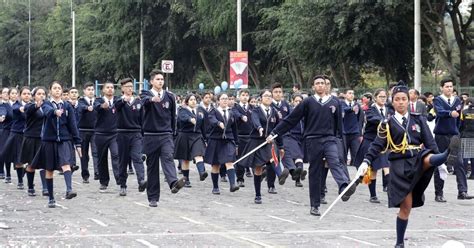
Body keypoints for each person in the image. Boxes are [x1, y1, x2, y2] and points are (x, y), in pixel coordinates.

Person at [356, 83, 459, 248]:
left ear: (408, 100)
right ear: (393, 102)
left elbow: (430, 142)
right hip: (399, 165)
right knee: (406, 207)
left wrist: (441, 165)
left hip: (417, 158)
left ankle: (445, 156)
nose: (401, 102)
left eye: (403, 99)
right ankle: (399, 243)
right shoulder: (386, 123)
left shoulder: (418, 118)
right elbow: (376, 145)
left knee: (427, 156)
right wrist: (366, 161)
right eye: (397, 99)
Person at [267, 75, 354, 216]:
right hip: (312, 140)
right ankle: (315, 205)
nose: (320, 85)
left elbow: (339, 126)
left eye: (322, 83)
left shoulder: (335, 102)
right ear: (313, 86)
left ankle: (344, 186)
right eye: (317, 83)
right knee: (315, 171)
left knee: (335, 161)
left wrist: (340, 141)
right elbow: (291, 120)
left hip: (330, 139)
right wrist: (275, 133)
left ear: (326, 86)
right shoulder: (307, 102)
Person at [31, 81, 82, 208]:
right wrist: (55, 112)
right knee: (49, 169)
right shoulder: (46, 103)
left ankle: (69, 190)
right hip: (49, 141)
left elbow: (73, 125)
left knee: (66, 164)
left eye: (59, 88)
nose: (57, 90)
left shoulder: (67, 105)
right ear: (50, 91)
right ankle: (51, 198)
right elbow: (47, 112)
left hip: (64, 140)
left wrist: (78, 143)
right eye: (55, 88)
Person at [140, 69, 186, 207]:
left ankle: (173, 182)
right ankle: (153, 198)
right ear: (151, 82)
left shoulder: (170, 97)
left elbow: (173, 117)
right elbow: (144, 102)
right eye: (158, 79)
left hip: (166, 134)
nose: (160, 81)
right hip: (150, 135)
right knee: (152, 167)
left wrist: (173, 132)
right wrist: (151, 99)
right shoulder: (145, 94)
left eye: (162, 79)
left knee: (167, 157)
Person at [240, 89, 285, 203]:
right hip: (257, 141)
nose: (269, 98)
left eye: (270, 96)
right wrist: (259, 128)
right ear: (261, 98)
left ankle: (280, 175)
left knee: (272, 156)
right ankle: (258, 194)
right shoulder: (255, 110)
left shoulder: (274, 112)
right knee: (258, 169)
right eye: (266, 96)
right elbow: (255, 121)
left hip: (270, 141)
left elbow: (278, 129)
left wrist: (281, 145)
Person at [432, 78, 473, 202]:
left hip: (454, 135)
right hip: (441, 135)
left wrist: (457, 130)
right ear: (441, 88)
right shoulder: (437, 100)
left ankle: (463, 191)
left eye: (451, 86)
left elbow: (458, 119)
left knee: (459, 163)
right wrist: (450, 113)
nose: (449, 88)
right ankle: (438, 193)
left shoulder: (457, 100)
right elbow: (439, 112)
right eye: (446, 86)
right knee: (440, 163)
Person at [353, 89, 392, 203]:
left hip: (384, 144)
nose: (383, 98)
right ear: (375, 97)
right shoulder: (370, 109)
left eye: (384, 96)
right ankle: (373, 195)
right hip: (371, 142)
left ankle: (391, 192)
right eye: (380, 96)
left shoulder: (389, 110)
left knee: (387, 167)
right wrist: (384, 121)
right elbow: (372, 119)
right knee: (372, 170)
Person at [115, 78, 147, 196]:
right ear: (122, 88)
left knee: (137, 157)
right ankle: (122, 185)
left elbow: (142, 119)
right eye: (127, 86)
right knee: (122, 161)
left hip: (136, 133)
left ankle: (141, 180)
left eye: (131, 86)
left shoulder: (138, 102)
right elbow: (116, 107)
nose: (129, 88)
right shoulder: (119, 101)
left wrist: (143, 135)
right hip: (122, 133)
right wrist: (124, 100)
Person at [204, 93, 240, 195]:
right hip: (215, 140)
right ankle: (215, 187)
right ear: (218, 101)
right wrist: (218, 123)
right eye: (223, 99)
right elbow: (211, 120)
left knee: (229, 161)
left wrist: (236, 143)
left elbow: (234, 129)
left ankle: (233, 184)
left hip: (228, 140)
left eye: (226, 99)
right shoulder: (213, 111)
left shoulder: (231, 113)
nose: (225, 100)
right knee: (216, 165)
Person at [174, 93, 208, 187]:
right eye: (191, 100)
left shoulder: (200, 110)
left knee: (198, 153)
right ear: (187, 102)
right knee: (185, 159)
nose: (193, 101)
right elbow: (183, 118)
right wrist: (190, 119)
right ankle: (186, 180)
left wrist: (206, 139)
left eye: (194, 99)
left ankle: (202, 172)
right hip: (185, 135)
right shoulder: (182, 110)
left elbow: (203, 125)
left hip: (197, 135)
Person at [2, 87, 31, 189]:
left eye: (28, 93)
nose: (27, 95)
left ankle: (27, 178)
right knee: (18, 160)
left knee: (30, 161)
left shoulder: (32, 105)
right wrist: (20, 109)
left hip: (31, 136)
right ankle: (20, 181)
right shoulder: (16, 105)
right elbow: (14, 110)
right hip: (17, 134)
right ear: (20, 95)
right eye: (24, 93)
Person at [94, 81, 120, 192]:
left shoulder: (117, 101)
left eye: (112, 87)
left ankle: (120, 179)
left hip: (115, 134)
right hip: (101, 134)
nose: (110, 89)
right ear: (103, 90)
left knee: (116, 154)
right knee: (102, 158)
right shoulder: (98, 100)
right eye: (107, 87)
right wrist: (102, 106)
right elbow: (96, 107)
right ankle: (103, 182)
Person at [22, 87, 48, 196]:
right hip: (31, 138)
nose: (41, 95)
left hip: (44, 139)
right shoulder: (29, 106)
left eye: (43, 94)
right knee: (31, 164)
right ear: (34, 96)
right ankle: (30, 186)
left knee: (45, 164)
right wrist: (37, 106)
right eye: (38, 94)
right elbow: (29, 111)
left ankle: (45, 187)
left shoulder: (47, 106)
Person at [283, 94, 306, 187]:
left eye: (300, 101)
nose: (298, 103)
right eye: (296, 101)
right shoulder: (291, 111)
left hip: (303, 137)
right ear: (292, 102)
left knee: (300, 156)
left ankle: (298, 176)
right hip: (292, 136)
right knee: (297, 155)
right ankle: (298, 172)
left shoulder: (306, 112)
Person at [77, 82, 99, 183]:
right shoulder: (81, 101)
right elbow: (81, 108)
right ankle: (85, 175)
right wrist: (87, 108)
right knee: (84, 154)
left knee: (96, 152)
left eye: (92, 89)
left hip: (95, 131)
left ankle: (97, 172)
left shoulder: (98, 101)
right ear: (84, 91)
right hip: (83, 131)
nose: (91, 91)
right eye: (89, 89)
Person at [233, 89, 254, 187]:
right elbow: (235, 114)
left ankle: (259, 173)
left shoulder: (252, 108)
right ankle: (240, 178)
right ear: (239, 97)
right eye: (243, 95)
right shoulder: (235, 107)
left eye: (246, 95)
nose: (245, 97)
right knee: (240, 158)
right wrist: (241, 116)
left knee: (254, 156)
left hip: (251, 136)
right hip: (240, 136)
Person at [341, 89, 363, 167]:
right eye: (349, 93)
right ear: (345, 95)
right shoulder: (341, 104)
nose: (352, 95)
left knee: (356, 154)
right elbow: (344, 110)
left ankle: (359, 175)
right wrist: (351, 109)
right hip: (344, 133)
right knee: (343, 155)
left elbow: (360, 119)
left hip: (355, 133)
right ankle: (344, 176)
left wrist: (360, 133)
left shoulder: (357, 105)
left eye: (353, 93)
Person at [0, 87, 13, 181]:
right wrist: (2, 116)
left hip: (10, 131)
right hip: (2, 130)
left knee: (7, 152)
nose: (6, 94)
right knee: (2, 151)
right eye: (4, 92)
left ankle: (8, 172)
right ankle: (1, 171)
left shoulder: (12, 105)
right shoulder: (2, 105)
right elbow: (2, 112)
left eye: (7, 92)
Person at [461, 97, 474, 180]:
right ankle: (473, 174)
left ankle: (464, 173)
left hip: (466, 135)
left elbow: (460, 124)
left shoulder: (464, 112)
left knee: (465, 155)